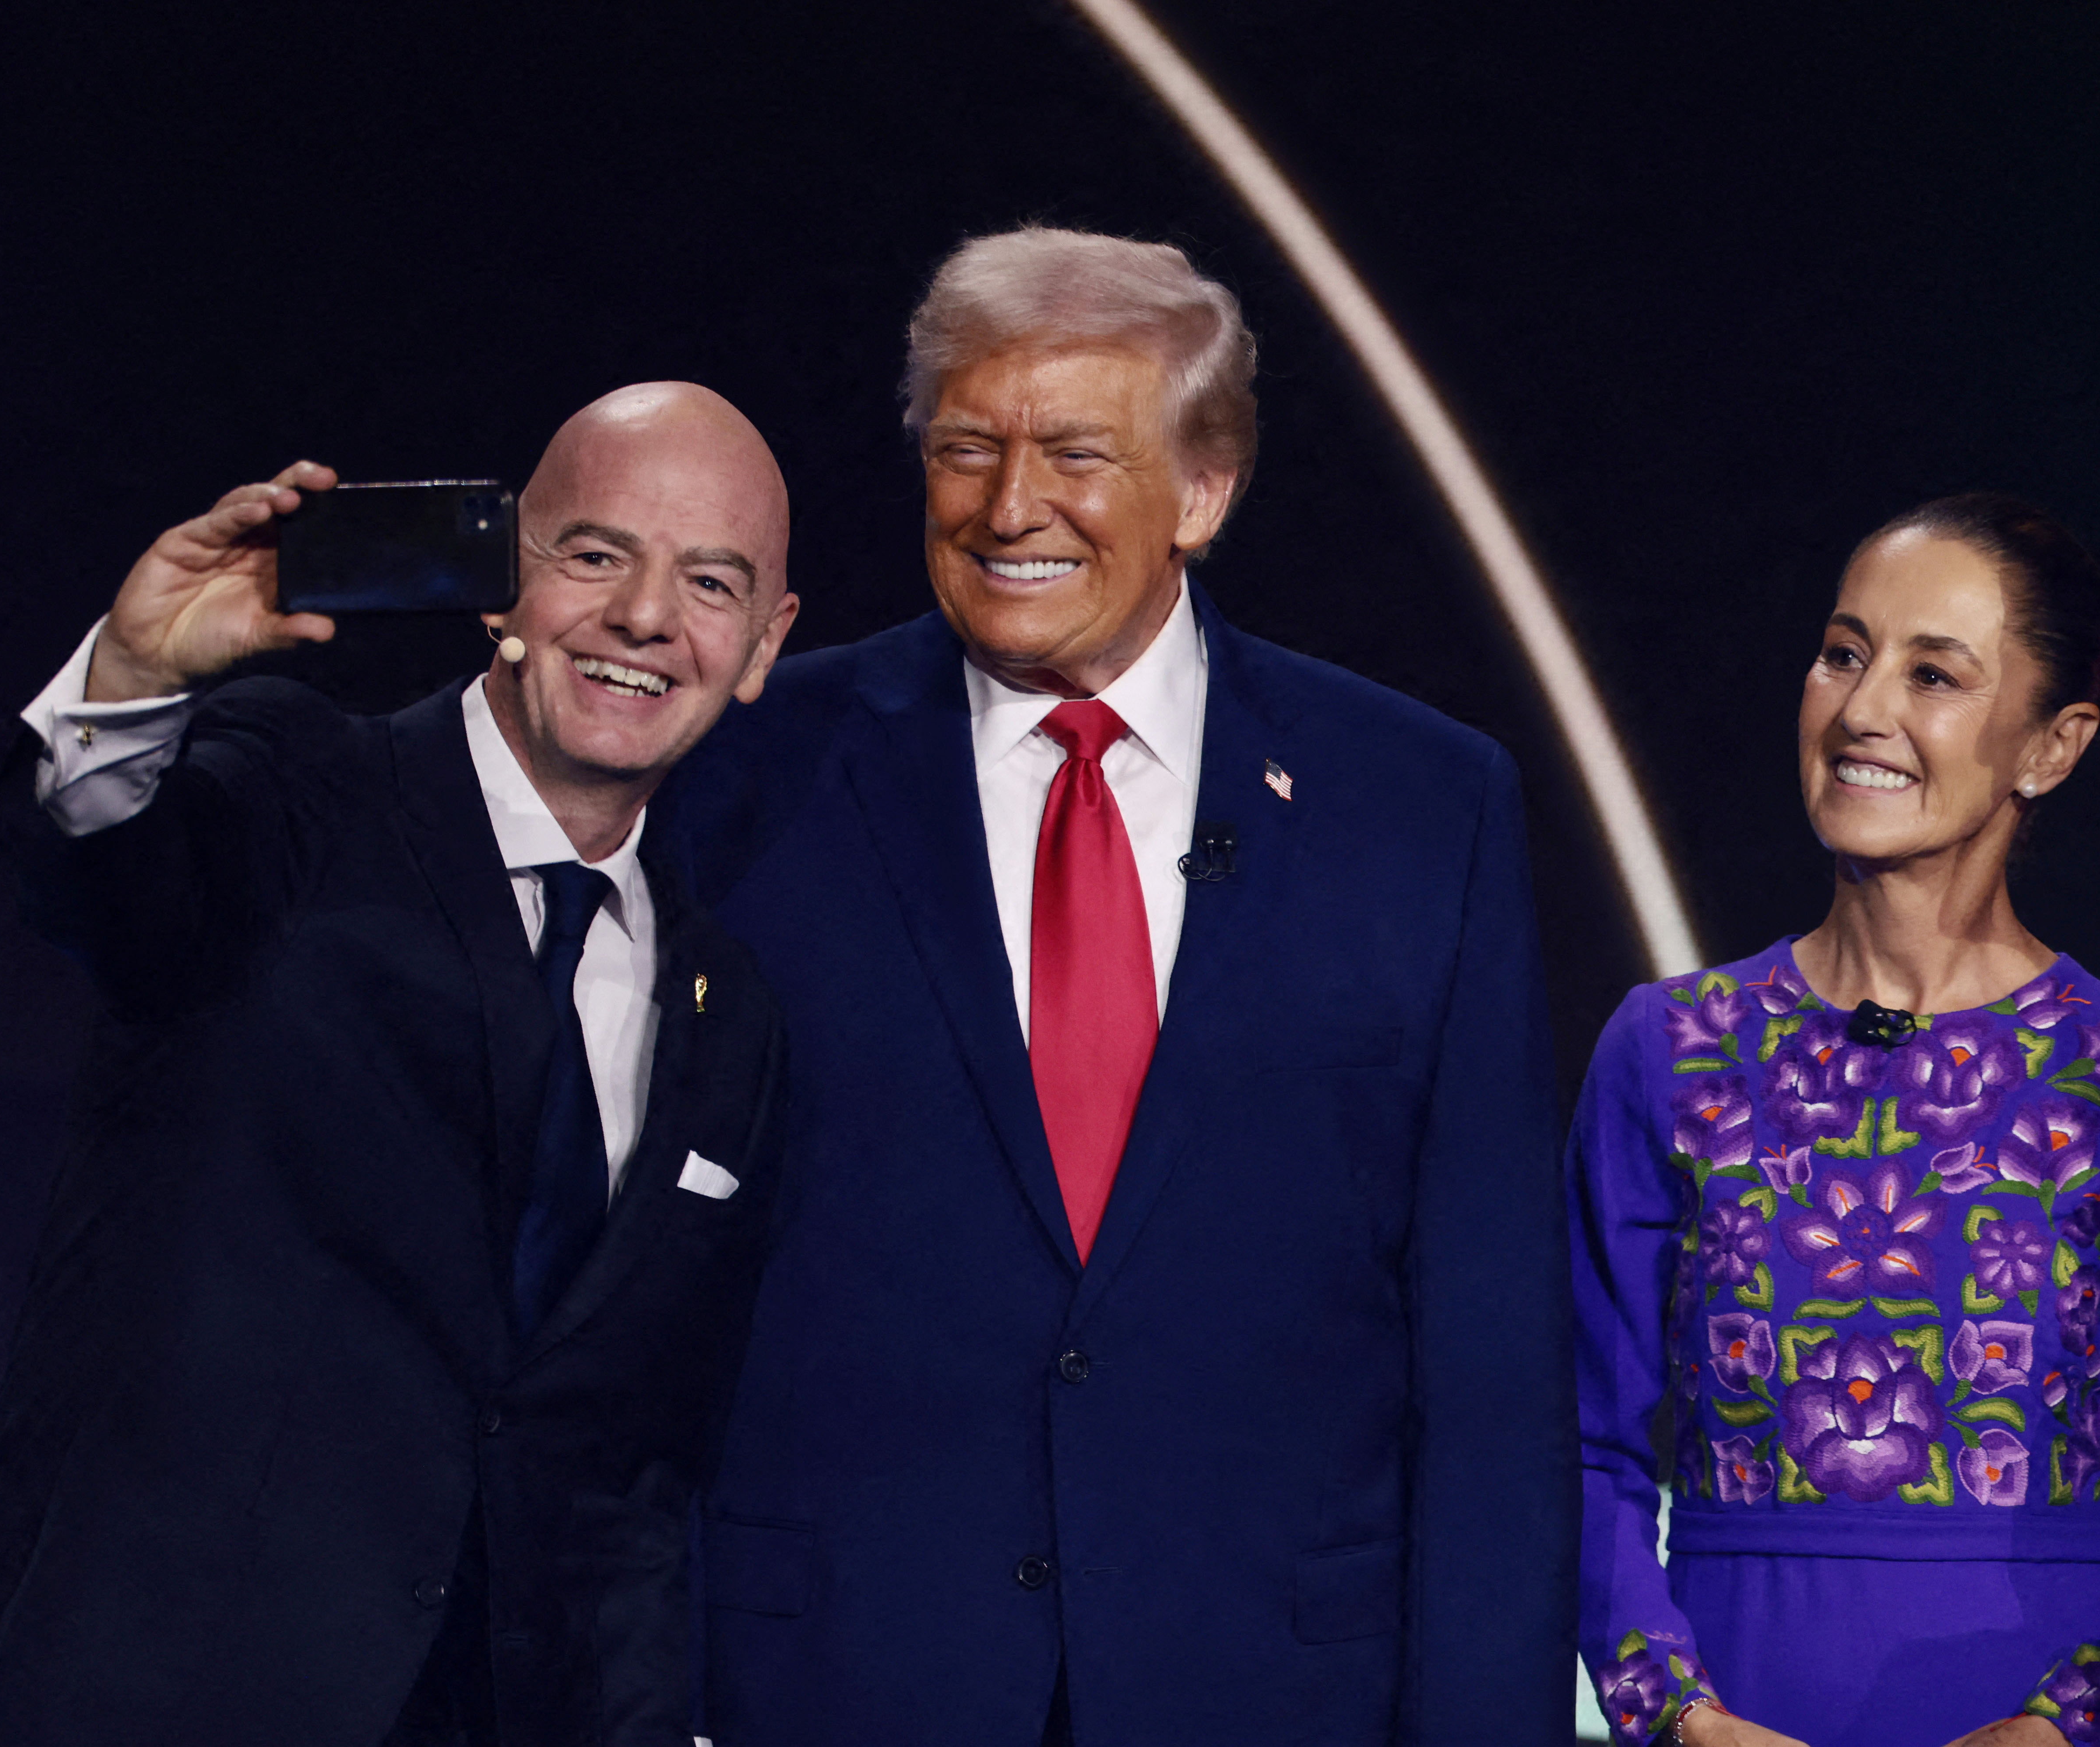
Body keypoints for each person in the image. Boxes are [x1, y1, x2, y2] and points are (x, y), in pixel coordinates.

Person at [659, 227, 1576, 1743]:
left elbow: (1487, 1354)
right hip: (839, 1677)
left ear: (1202, 490)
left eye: (1075, 452)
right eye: (966, 449)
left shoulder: (1419, 804)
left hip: (1274, 1686)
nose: (1010, 507)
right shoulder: (757, 768)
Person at [0, 382, 802, 1747]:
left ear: (762, 647)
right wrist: (136, 683)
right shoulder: (292, 790)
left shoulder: (726, 1013)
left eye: (710, 580)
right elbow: (96, 869)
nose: (643, 619)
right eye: (596, 554)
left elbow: (627, 1473)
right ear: (501, 585)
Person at [1573, 494, 2100, 1747]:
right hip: (1736, 1708)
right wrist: (1679, 1716)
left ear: (2049, 745)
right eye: (1842, 653)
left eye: (1934, 674)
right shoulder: (1669, 1049)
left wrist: (2062, 1722)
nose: (1862, 710)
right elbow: (1573, 1445)